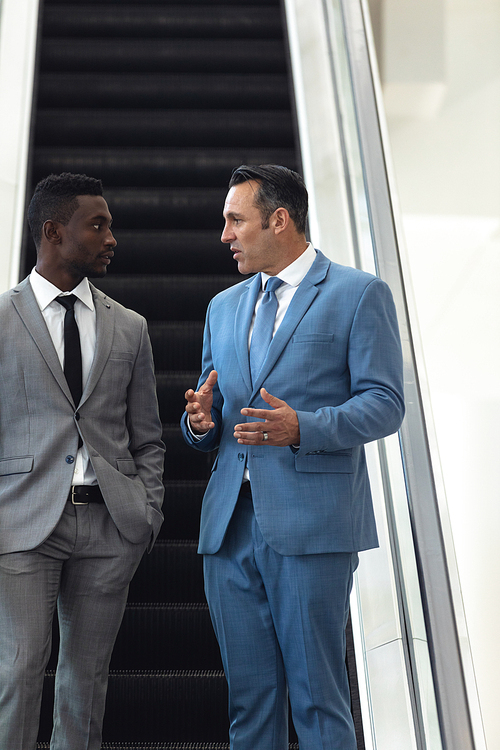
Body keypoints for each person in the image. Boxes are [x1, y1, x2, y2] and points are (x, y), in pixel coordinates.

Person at [181, 164, 405, 749]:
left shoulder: (358, 295)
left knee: (318, 701)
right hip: (229, 529)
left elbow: (385, 405)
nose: (225, 236)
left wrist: (301, 427)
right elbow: (215, 408)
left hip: (313, 527)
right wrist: (199, 424)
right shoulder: (223, 307)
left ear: (279, 220)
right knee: (249, 707)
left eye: (236, 221)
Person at [0, 172, 165, 750]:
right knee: (18, 672)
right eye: (97, 225)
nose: (111, 237)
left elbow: (147, 436)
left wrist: (146, 513)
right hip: (21, 525)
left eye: (110, 224)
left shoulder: (130, 327)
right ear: (53, 231)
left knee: (85, 680)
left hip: (109, 523)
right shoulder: (1, 318)